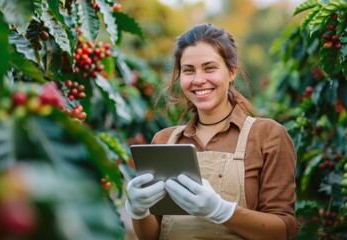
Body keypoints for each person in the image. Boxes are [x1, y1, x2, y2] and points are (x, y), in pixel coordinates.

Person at [125, 23, 300, 240]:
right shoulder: (164, 140)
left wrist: (220, 210)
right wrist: (138, 210)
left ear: (231, 72)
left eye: (209, 68)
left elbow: (284, 230)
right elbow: (151, 236)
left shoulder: (267, 135)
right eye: (189, 70)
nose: (198, 80)